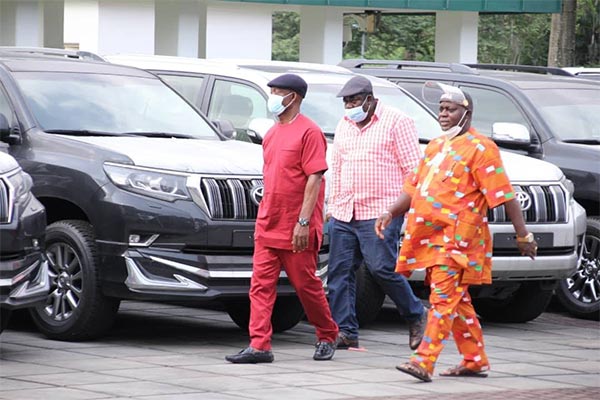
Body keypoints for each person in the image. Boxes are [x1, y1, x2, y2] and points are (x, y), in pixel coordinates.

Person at [375, 82, 538, 382]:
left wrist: (523, 235)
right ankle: (474, 360)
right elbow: (413, 188)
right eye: (441, 109)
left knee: (441, 298)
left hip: (459, 242)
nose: (444, 114)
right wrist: (390, 212)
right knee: (456, 301)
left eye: (451, 109)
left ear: (467, 113)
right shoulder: (436, 146)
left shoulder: (481, 148)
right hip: (429, 238)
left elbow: (504, 194)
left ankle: (423, 360)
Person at [225, 73, 338, 364]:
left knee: (306, 285)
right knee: (260, 286)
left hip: (297, 225)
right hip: (269, 223)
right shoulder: (273, 133)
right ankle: (259, 345)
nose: (272, 97)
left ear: (294, 97)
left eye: (277, 92)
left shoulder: (309, 132)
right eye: (272, 91)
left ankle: (327, 334)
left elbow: (314, 179)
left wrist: (303, 223)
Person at [327, 75, 427, 352]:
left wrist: (401, 209)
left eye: (355, 101)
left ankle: (416, 314)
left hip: (381, 211)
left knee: (381, 267)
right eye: (346, 102)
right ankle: (346, 331)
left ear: (370, 100)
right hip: (345, 210)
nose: (350, 107)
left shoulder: (397, 121)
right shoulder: (344, 124)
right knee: (339, 273)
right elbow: (337, 168)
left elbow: (413, 171)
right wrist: (332, 205)